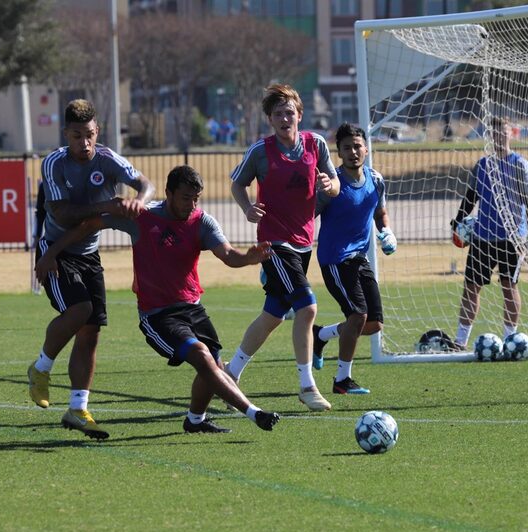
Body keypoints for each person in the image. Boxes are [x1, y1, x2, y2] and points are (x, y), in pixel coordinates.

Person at [35, 166, 280, 434]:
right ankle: (254, 413)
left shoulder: (202, 221)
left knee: (212, 365)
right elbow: (91, 224)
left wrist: (248, 258)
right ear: (168, 194)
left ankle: (195, 420)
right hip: (158, 316)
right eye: (186, 198)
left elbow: (229, 255)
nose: (192, 204)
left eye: (197, 198)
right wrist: (52, 253)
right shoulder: (143, 217)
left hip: (193, 308)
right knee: (202, 356)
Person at [28, 99, 155, 440]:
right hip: (56, 252)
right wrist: (108, 206)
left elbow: (146, 184)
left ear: (97, 131)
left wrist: (138, 202)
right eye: (76, 136)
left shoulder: (108, 158)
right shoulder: (54, 163)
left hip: (89, 253)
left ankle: (77, 409)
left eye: (89, 135)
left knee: (91, 332)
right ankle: (41, 368)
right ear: (65, 134)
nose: (83, 143)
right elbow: (63, 214)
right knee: (80, 309)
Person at [225, 83, 340, 411]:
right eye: (278, 114)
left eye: (290, 112)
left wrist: (330, 185)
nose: (284, 118)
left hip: (304, 242)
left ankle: (229, 374)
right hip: (274, 243)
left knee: (273, 315)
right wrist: (248, 208)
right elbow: (236, 183)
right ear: (270, 120)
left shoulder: (316, 144)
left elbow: (335, 184)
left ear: (300, 115)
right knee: (307, 307)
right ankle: (306, 385)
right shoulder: (261, 151)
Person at [311, 123, 396, 394]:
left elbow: (380, 212)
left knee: (374, 324)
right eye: (346, 147)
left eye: (357, 146)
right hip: (334, 259)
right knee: (358, 315)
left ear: (366, 149)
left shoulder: (376, 180)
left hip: (359, 258)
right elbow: (306, 217)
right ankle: (341, 380)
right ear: (339, 152)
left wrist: (387, 232)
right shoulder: (331, 185)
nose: (353, 152)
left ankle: (321, 334)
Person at [450, 116, 528, 350]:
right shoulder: (482, 165)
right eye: (494, 133)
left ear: (512, 134)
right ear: (489, 136)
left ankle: (511, 338)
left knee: (509, 287)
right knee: (471, 287)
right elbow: (471, 197)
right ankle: (460, 341)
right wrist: (458, 221)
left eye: (503, 132)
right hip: (482, 237)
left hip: (512, 239)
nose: (498, 136)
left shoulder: (521, 165)